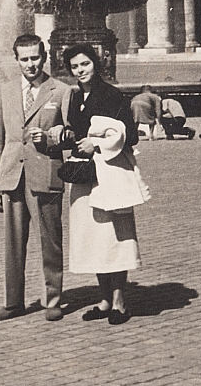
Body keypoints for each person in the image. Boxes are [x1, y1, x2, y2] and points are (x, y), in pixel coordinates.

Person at [47, 43, 148, 326]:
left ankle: (119, 302)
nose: (80, 70)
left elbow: (131, 136)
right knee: (92, 239)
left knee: (114, 237)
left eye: (85, 64)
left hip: (109, 175)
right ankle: (104, 299)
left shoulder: (112, 94)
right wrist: (65, 134)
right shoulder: (74, 96)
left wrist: (98, 143)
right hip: (83, 175)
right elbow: (76, 133)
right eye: (75, 67)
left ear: (96, 63)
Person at [0, 34, 70, 322]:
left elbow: (71, 135)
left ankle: (53, 300)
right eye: (24, 59)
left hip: (45, 173)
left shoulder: (60, 90)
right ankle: (13, 302)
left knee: (50, 240)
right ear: (17, 60)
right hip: (12, 175)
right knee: (13, 243)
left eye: (35, 57)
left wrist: (49, 138)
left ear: (44, 56)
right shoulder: (6, 90)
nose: (30, 64)